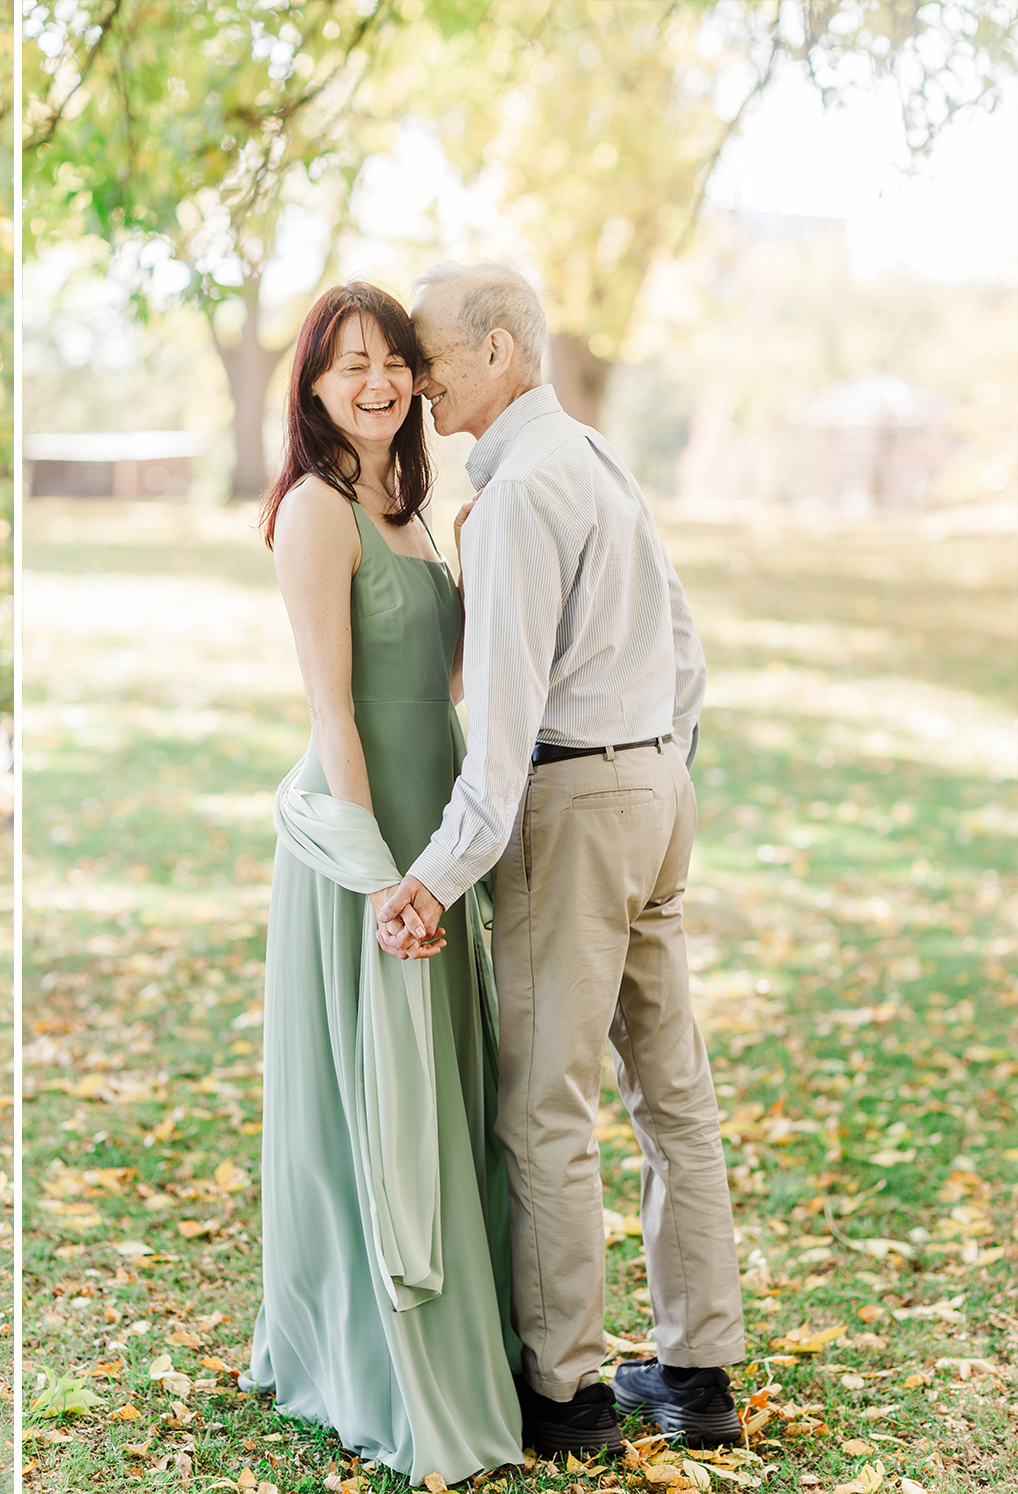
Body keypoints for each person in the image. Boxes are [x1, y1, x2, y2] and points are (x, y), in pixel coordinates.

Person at [376, 261, 743, 1454]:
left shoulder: (524, 494)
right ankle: (695, 1377)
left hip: (576, 800)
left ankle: (567, 1394)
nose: (417, 377)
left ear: (498, 350)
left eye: (428, 352)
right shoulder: (588, 457)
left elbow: (499, 722)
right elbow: (682, 654)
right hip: (653, 787)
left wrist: (433, 873)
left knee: (545, 1107)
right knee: (672, 1100)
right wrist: (654, 766)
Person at [245, 280, 525, 1486]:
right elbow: (333, 711)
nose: (373, 381)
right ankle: (370, 1359)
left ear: (417, 377)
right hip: (366, 838)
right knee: (376, 1092)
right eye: (344, 364)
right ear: (310, 388)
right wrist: (376, 880)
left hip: (436, 819)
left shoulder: (412, 506)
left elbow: (444, 685)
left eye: (391, 361)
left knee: (440, 1086)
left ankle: (474, 1340)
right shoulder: (315, 511)